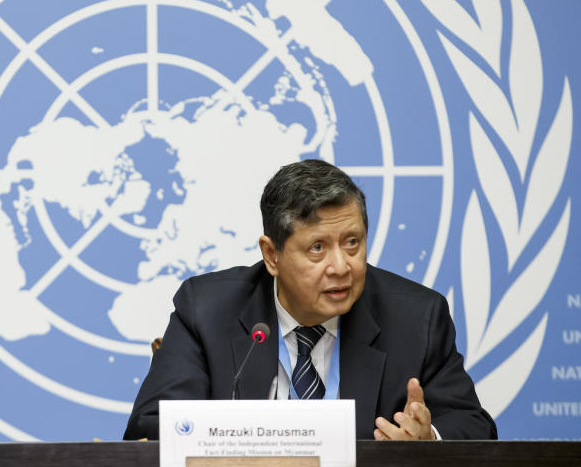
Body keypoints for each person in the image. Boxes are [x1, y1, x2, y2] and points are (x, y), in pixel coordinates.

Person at [124, 159, 496, 441]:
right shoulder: (206, 310)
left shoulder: (417, 317)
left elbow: (473, 426)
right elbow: (149, 429)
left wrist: (428, 439)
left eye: (352, 242)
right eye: (317, 248)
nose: (341, 266)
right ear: (272, 255)